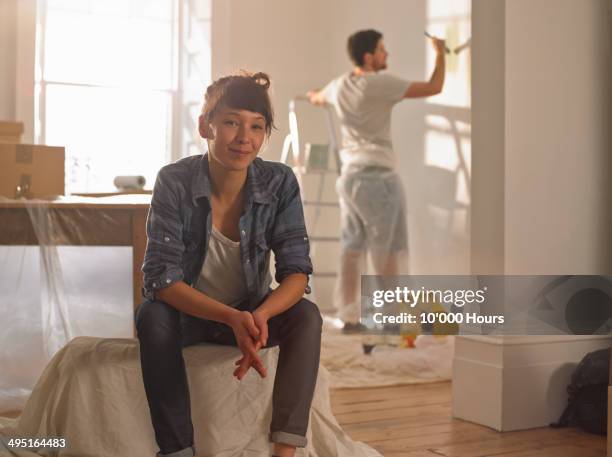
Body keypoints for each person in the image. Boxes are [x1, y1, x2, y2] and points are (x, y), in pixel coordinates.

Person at [136, 72, 322, 457]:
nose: (244, 137)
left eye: (257, 127)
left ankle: (285, 451)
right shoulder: (174, 180)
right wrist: (229, 318)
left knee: (307, 316)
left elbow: (296, 270)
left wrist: (260, 316)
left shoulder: (279, 181)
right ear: (206, 125)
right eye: (232, 122)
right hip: (190, 315)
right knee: (151, 316)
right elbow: (161, 278)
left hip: (251, 311)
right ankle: (177, 450)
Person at [307, 29, 446, 333]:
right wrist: (440, 53)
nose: (387, 55)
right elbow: (434, 87)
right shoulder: (379, 83)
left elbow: (317, 98)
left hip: (350, 178)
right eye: (383, 50)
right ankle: (392, 318)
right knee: (390, 250)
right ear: (369, 57)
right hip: (378, 179)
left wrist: (312, 96)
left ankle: (350, 316)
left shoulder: (340, 85)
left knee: (352, 248)